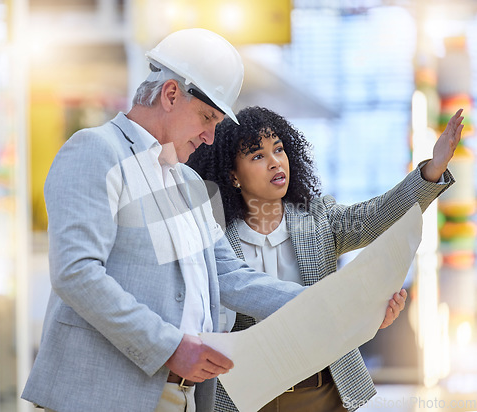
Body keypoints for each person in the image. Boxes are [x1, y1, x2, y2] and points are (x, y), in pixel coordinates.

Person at [22, 28, 406, 412]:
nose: (210, 137)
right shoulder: (97, 152)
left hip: (182, 396)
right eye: (207, 117)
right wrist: (169, 347)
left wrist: (346, 304)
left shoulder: (187, 182)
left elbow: (230, 276)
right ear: (171, 94)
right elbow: (77, 273)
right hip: (103, 396)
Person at [187, 106, 463, 412]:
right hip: (245, 399)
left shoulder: (318, 219)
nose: (275, 162)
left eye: (278, 149)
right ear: (233, 175)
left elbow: (376, 215)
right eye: (258, 156)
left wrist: (433, 170)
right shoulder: (215, 237)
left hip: (322, 393)